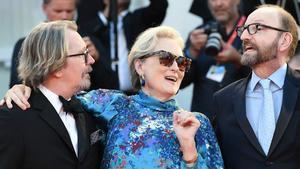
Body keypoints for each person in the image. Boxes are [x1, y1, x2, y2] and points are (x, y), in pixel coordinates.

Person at [1, 26, 224, 168]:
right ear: (140, 65)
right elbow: (55, 93)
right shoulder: (112, 104)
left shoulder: (197, 123)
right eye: (166, 58)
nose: (176, 67)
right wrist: (24, 87)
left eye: (182, 62)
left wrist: (189, 151)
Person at [0, 21, 103, 169]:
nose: (91, 60)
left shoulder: (89, 110)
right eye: (83, 54)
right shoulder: (12, 118)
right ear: (56, 66)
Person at [213, 4, 300, 168]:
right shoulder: (223, 99)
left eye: (257, 28)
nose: (244, 36)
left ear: (284, 40)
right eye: (243, 29)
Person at [180, 0, 250, 121]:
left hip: (238, 124)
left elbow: (265, 78)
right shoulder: (199, 32)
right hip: (201, 125)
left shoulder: (251, 32)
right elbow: (180, 81)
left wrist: (239, 60)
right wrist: (191, 53)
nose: (218, 4)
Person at [79, 0, 168, 94]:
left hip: (134, 95)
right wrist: (107, 15)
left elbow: (159, 6)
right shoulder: (89, 25)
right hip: (101, 95)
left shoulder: (137, 19)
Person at [9, 0, 99, 87]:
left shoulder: (88, 42)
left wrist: (97, 60)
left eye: (69, 11)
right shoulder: (26, 45)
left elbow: (109, 84)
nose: (64, 16)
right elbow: (17, 85)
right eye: (58, 11)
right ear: (44, 8)